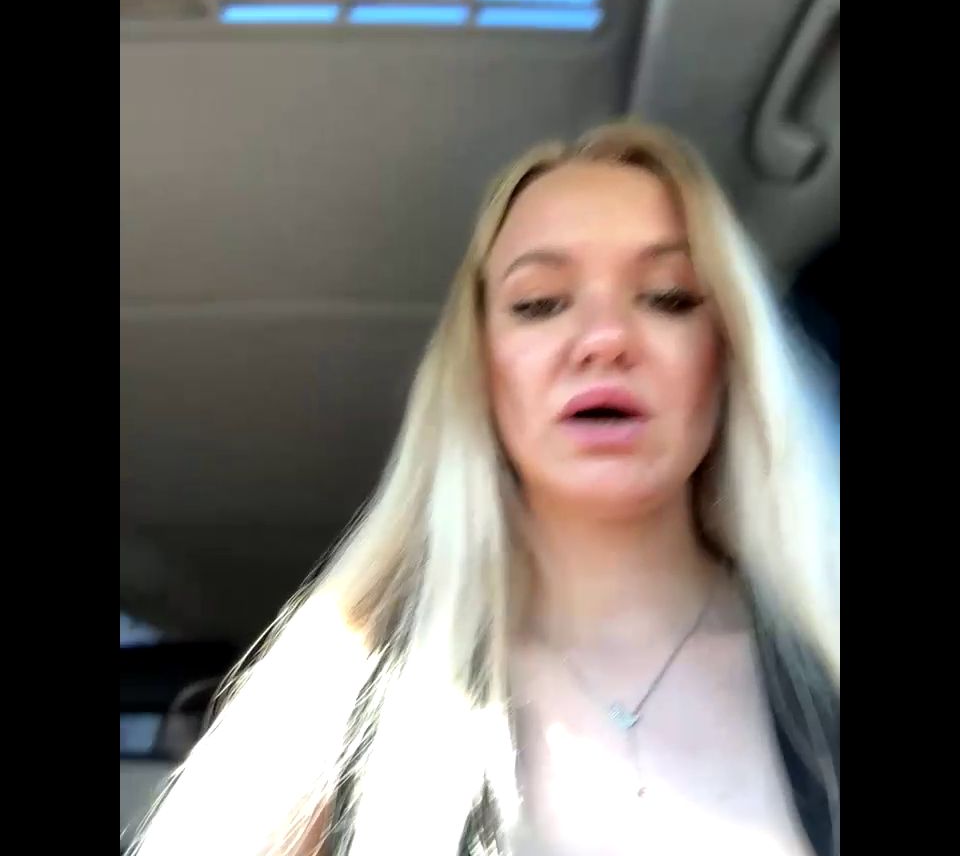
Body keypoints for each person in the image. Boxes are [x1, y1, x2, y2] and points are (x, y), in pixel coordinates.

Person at [131, 121, 839, 856]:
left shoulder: (825, 675)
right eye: (540, 303)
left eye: (668, 296)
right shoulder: (332, 705)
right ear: (480, 370)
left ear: (728, 355)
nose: (604, 338)